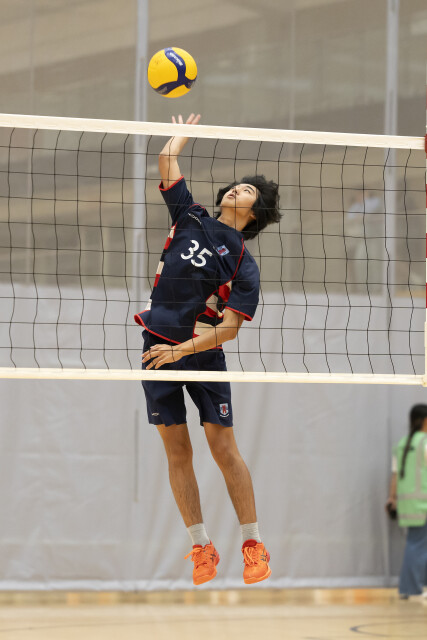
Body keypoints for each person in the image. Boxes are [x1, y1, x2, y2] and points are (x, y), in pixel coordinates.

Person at [134, 113, 281, 586]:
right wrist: (182, 134)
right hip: (157, 344)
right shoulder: (190, 215)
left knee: (223, 448)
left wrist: (183, 352)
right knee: (177, 450)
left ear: (255, 213)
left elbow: (231, 329)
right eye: (236, 185)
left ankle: (253, 544)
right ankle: (201, 547)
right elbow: (166, 160)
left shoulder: (243, 262)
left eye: (248, 191)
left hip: (200, 352)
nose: (237, 189)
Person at [386, 404, 427, 599]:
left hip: (409, 505)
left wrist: (392, 498)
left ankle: (411, 587)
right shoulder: (424, 443)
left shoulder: (402, 444)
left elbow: (395, 475)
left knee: (416, 544)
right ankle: (411, 588)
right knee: (417, 545)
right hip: (423, 504)